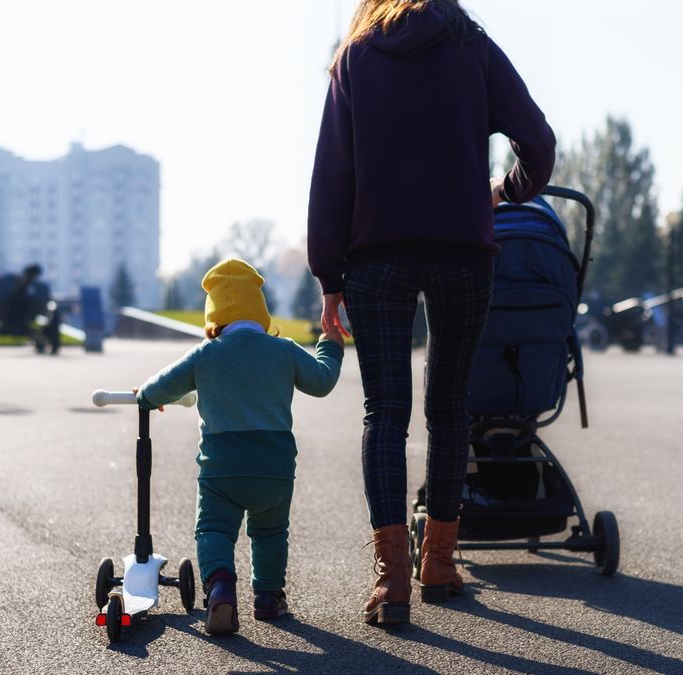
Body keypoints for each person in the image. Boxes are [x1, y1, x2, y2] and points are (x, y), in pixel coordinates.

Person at [308, 0, 555, 625]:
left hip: (377, 260)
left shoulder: (355, 57)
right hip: (462, 255)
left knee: (384, 412)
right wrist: (503, 193)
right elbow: (540, 141)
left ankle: (390, 581)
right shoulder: (471, 45)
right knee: (450, 405)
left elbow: (332, 174)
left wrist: (328, 275)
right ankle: (439, 562)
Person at [134, 259, 344, 635]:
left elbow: (159, 387)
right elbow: (322, 381)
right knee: (270, 531)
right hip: (274, 465)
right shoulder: (284, 350)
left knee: (213, 529)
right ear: (259, 310)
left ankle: (220, 590)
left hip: (222, 466)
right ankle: (268, 598)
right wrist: (331, 346)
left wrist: (145, 396)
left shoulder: (206, 354)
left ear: (214, 315)